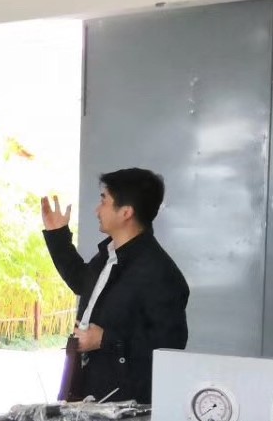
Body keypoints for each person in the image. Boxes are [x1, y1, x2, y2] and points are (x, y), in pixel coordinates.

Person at [40, 167, 189, 404]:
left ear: (126, 212)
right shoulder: (109, 255)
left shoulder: (160, 273)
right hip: (88, 391)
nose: (97, 210)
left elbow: (169, 346)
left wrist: (106, 339)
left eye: (104, 201)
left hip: (123, 405)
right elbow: (83, 282)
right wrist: (58, 235)